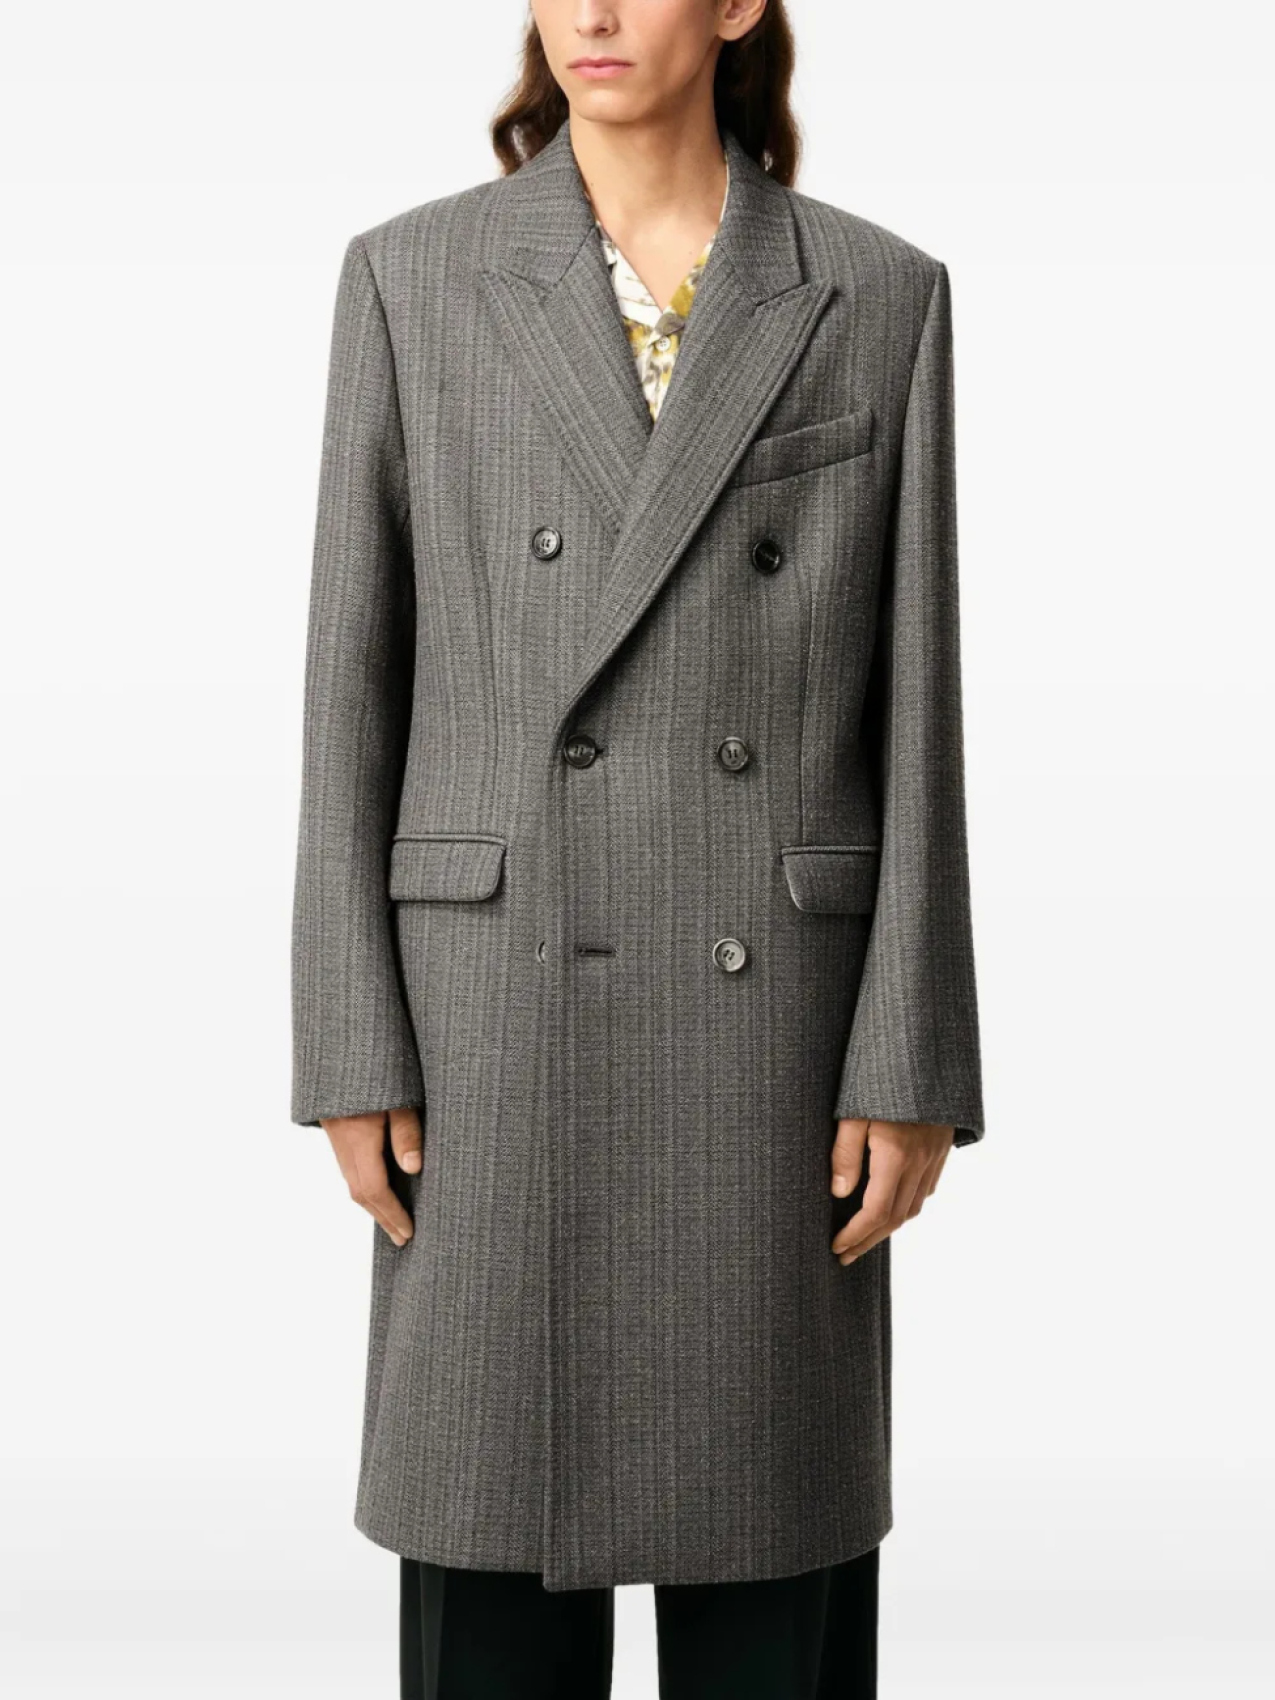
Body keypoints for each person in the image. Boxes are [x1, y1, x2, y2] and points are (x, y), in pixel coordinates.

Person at [290, 2, 985, 1694]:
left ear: (739, 1)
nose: (593, 10)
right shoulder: (411, 278)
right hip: (490, 1023)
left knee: (770, 1581)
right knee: (487, 1571)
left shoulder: (876, 293)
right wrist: (348, 1042)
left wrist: (912, 1059)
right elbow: (350, 684)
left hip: (773, 1041)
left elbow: (917, 708)